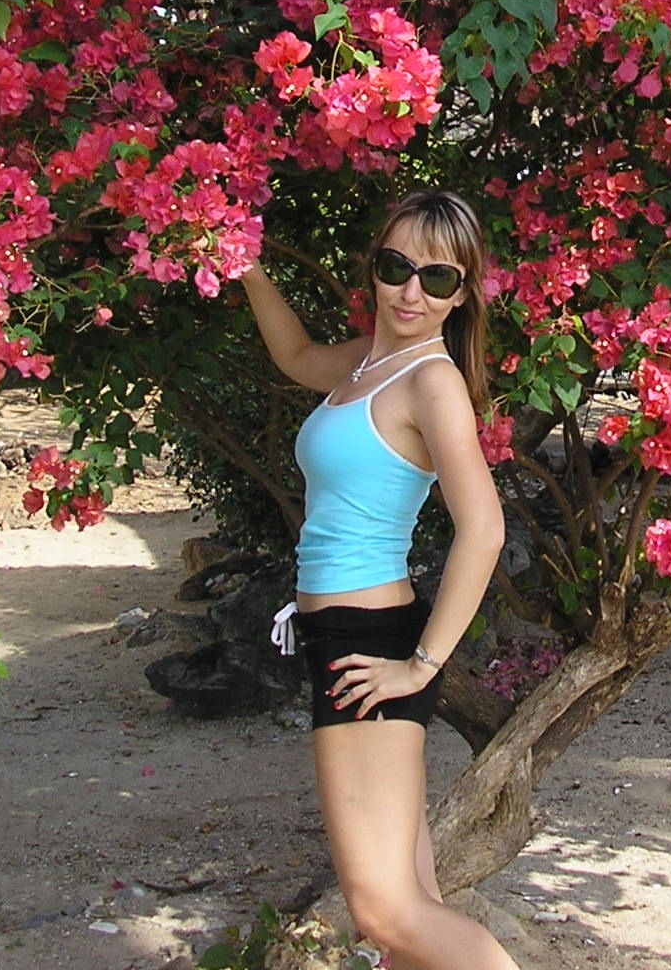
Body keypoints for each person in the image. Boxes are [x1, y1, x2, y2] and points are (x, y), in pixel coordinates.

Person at [240, 191, 519, 970]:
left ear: (460, 295)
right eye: (397, 267)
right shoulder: (370, 361)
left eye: (437, 278)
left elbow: (485, 530)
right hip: (345, 636)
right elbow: (296, 356)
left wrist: (421, 666)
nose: (410, 291)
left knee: (385, 910)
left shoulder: (431, 382)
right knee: (412, 899)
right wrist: (247, 269)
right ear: (375, 267)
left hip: (369, 648)